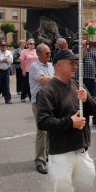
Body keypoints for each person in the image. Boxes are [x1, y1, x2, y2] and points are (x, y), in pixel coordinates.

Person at [36, 50, 96, 192]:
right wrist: (70, 122)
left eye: (76, 63)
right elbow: (43, 122)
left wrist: (87, 100)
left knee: (85, 187)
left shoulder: (78, 85)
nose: (75, 66)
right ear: (58, 66)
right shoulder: (47, 91)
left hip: (82, 151)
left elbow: (95, 111)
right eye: (71, 63)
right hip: (61, 154)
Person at [29, 44, 54, 175]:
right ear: (38, 54)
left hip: (50, 101)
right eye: (47, 53)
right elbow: (43, 81)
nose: (49, 55)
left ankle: (47, 154)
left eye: (50, 53)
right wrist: (57, 78)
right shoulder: (34, 66)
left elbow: (51, 81)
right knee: (42, 131)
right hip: (39, 103)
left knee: (51, 129)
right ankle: (39, 161)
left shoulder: (50, 66)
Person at [72, 40, 96, 127]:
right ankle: (81, 119)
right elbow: (80, 58)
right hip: (80, 79)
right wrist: (84, 47)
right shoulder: (76, 46)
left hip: (92, 78)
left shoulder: (95, 48)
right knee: (81, 101)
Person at [0, 40, 13, 105]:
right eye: (2, 45)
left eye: (5, 45)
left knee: (7, 85)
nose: (3, 46)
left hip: (6, 70)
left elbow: (11, 61)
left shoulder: (9, 52)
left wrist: (3, 60)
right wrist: (4, 59)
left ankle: (8, 100)